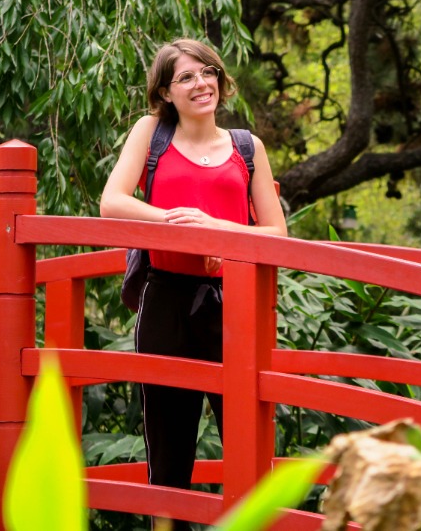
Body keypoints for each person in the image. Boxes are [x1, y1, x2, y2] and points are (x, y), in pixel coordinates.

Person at [99, 38, 287, 528]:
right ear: (165, 92)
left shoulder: (247, 147)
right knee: (169, 447)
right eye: (185, 77)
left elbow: (278, 234)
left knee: (245, 441)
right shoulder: (151, 133)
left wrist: (219, 230)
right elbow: (112, 202)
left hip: (234, 304)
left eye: (208, 72)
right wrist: (178, 224)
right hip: (167, 299)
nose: (201, 83)